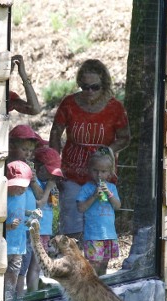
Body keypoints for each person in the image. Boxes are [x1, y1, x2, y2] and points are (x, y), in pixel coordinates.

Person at [49, 59, 130, 241]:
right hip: (72, 171)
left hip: (102, 173)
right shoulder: (69, 103)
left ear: (104, 84)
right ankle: (74, 263)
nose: (89, 92)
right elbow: (55, 134)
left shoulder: (114, 107)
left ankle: (96, 264)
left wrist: (107, 151)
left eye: (95, 87)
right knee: (72, 223)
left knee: (100, 222)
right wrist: (54, 166)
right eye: (84, 87)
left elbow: (125, 137)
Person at [7, 125, 45, 297]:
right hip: (10, 230)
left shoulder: (31, 172)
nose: (28, 154)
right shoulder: (8, 170)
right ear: (11, 146)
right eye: (24, 150)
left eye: (31, 151)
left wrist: (34, 181)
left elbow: (40, 198)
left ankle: (18, 299)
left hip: (25, 231)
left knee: (20, 270)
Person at [76, 149, 121, 276]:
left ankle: (101, 286)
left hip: (109, 235)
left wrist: (109, 194)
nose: (99, 175)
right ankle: (92, 288)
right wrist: (94, 196)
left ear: (110, 173)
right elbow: (81, 208)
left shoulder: (112, 187)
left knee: (104, 264)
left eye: (103, 171)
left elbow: (117, 206)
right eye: (95, 171)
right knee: (93, 265)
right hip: (93, 236)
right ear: (89, 170)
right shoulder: (86, 188)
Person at [26, 146, 63, 291]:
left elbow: (54, 206)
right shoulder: (34, 182)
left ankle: (33, 292)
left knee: (36, 267)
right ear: (38, 167)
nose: (51, 176)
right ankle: (30, 294)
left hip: (45, 232)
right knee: (30, 267)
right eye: (49, 171)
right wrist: (48, 189)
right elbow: (40, 202)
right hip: (35, 231)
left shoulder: (49, 183)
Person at [4, 160, 33, 299]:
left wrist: (32, 214)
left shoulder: (22, 195)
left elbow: (21, 211)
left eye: (25, 186)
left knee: (14, 274)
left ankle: (9, 300)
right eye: (19, 186)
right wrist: (8, 226)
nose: (22, 190)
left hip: (19, 245)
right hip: (5, 245)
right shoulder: (2, 197)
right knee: (1, 275)